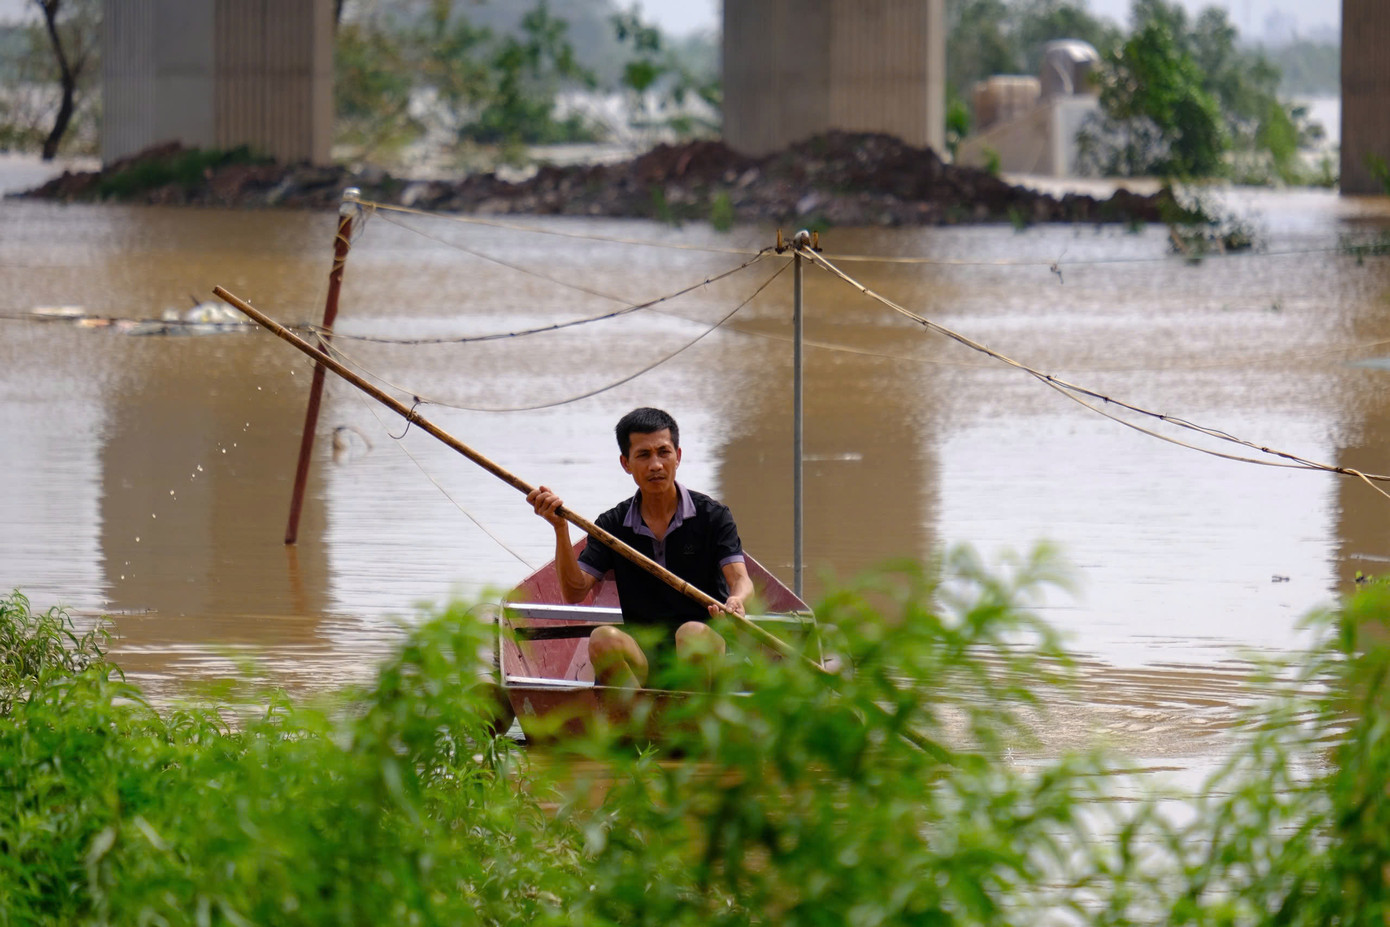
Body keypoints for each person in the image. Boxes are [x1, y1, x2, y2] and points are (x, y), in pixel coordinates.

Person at [526, 407, 753, 687]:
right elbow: (574, 591)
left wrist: (737, 600)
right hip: (642, 658)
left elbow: (740, 580)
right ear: (626, 463)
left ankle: (691, 722)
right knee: (602, 639)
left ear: (678, 456)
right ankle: (637, 721)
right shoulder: (612, 525)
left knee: (692, 634)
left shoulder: (713, 516)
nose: (655, 464)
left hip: (705, 649)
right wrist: (560, 529)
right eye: (643, 455)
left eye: (664, 452)